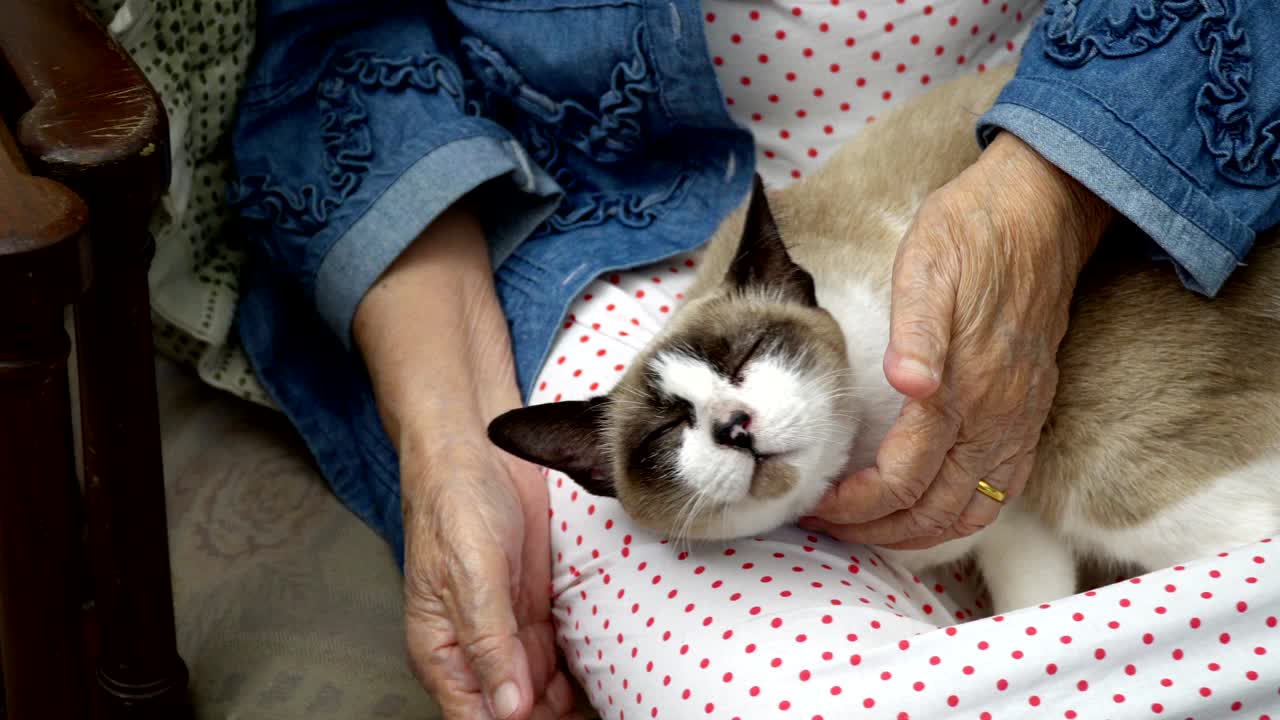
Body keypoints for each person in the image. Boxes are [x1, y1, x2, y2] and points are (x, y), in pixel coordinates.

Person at [229, 2, 1280, 718]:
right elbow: (335, 58)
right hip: (609, 248)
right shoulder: (658, 454)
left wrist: (1049, 194)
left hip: (1083, 123)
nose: (725, 425)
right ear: (600, 472)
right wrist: (450, 441)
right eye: (662, 438)